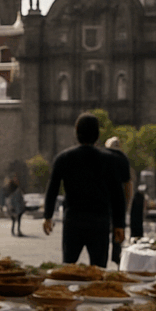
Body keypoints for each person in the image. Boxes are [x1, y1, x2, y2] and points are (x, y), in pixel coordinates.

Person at [42, 114, 126, 267]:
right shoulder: (110, 160)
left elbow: (52, 189)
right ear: (97, 135)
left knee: (68, 268)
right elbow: (117, 194)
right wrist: (119, 224)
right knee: (99, 270)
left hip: (73, 221)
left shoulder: (63, 158)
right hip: (100, 222)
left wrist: (48, 216)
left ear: (76, 133)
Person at [104, 136, 133, 265]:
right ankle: (116, 258)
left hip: (105, 203)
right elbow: (128, 185)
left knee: (104, 232)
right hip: (118, 202)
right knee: (118, 231)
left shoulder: (103, 157)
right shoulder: (123, 159)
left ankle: (105, 259)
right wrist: (127, 204)